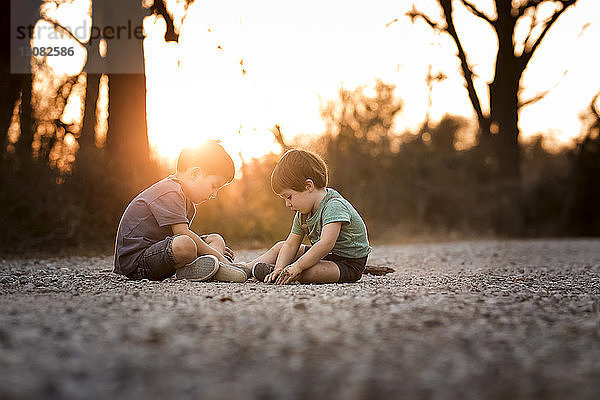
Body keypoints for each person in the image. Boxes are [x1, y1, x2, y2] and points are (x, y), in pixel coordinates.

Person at [113, 140, 248, 282]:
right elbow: (182, 233)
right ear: (195, 174)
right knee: (185, 244)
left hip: (159, 251)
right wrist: (218, 255)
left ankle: (213, 267)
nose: (214, 194)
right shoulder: (170, 191)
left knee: (216, 238)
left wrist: (212, 250)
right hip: (136, 262)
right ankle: (218, 264)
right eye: (214, 186)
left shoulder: (187, 200)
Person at [248, 149, 371, 284]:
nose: (287, 204)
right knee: (281, 246)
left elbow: (326, 244)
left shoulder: (334, 206)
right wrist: (280, 266)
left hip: (348, 263)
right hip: (325, 257)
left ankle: (279, 274)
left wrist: (298, 266)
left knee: (311, 272)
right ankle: (248, 269)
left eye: (289, 197)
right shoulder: (303, 214)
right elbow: (291, 244)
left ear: (308, 186)